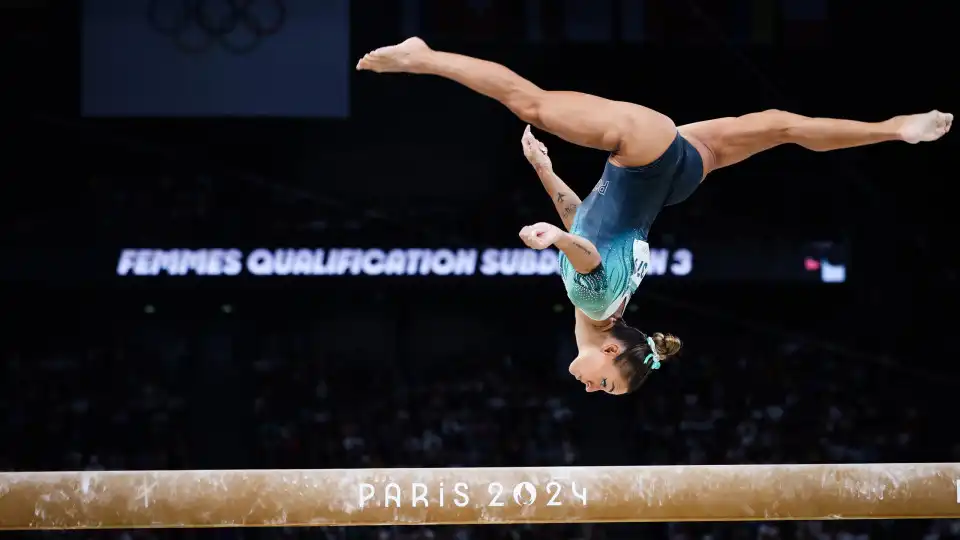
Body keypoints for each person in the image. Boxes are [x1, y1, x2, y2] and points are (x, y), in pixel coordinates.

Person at [356, 37, 953, 396]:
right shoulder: (593, 306)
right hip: (646, 156)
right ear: (613, 352)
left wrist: (545, 175)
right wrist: (555, 237)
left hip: (676, 178)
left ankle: (894, 129)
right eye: (605, 383)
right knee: (529, 101)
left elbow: (588, 220)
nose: (591, 387)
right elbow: (583, 246)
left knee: (782, 125)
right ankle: (425, 58)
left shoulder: (611, 305)